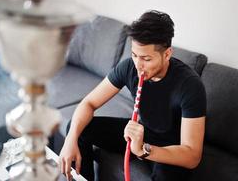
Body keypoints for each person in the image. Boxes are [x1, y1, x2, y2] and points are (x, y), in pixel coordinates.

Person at [59, 10, 206, 181]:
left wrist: (143, 149)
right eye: (135, 55)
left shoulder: (190, 85)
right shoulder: (129, 67)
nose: (138, 65)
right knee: (77, 129)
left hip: (172, 147)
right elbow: (89, 103)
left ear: (167, 54)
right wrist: (70, 140)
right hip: (140, 132)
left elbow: (192, 156)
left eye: (146, 59)